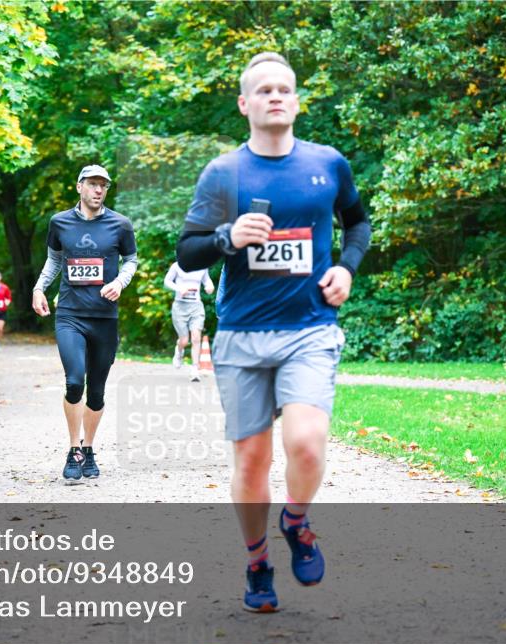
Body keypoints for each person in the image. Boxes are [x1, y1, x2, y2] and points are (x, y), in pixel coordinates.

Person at [175, 52, 371, 612]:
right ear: (245, 104)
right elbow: (186, 250)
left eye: (284, 88)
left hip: (310, 328)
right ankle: (257, 562)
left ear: (298, 101)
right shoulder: (223, 173)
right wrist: (227, 238)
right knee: (253, 460)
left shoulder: (328, 164)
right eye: (263, 90)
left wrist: (346, 269)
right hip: (241, 334)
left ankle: (297, 521)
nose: (276, 96)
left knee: (306, 443)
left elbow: (356, 223)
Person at [32, 164, 138, 482]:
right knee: (75, 381)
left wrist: (120, 282)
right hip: (70, 315)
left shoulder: (120, 224)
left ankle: (89, 448)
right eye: (92, 184)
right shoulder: (59, 222)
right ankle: (73, 449)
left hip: (105, 317)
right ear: (79, 187)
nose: (98, 190)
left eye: (103, 185)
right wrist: (39, 288)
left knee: (97, 392)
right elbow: (54, 259)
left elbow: (131, 260)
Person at [163, 261, 215, 381]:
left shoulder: (202, 266)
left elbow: (207, 281)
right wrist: (179, 288)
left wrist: (209, 287)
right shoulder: (177, 266)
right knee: (184, 340)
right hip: (180, 306)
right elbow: (167, 281)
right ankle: (179, 349)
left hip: (196, 306)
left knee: (196, 337)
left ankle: (195, 369)